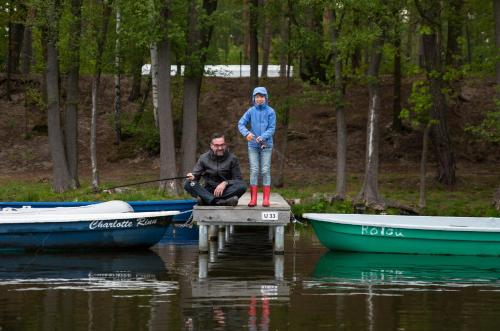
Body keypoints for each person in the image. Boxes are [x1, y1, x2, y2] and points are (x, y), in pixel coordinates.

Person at [238, 86, 276, 207]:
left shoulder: (271, 111)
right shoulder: (250, 111)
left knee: (265, 170)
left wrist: (263, 137)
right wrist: (247, 133)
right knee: (254, 170)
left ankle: (266, 199)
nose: (259, 99)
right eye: (257, 97)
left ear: (266, 98)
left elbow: (272, 128)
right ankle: (253, 199)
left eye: (262, 97)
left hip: (267, 144)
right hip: (253, 145)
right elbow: (241, 123)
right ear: (254, 98)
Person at [184, 133, 247, 206]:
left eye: (222, 145)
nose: (220, 148)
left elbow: (238, 180)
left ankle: (207, 201)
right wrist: (193, 177)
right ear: (211, 146)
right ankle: (220, 202)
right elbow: (196, 176)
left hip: (226, 190)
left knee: (242, 186)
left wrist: (225, 183)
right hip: (208, 191)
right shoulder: (203, 158)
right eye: (217, 145)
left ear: (225, 145)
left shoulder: (232, 158)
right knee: (188, 183)